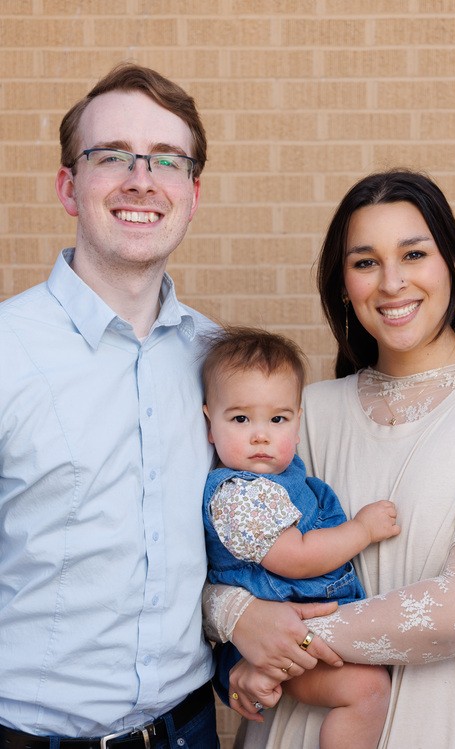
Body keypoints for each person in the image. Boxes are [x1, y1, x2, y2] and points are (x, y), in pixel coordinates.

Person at [204, 170, 455, 748]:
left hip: (448, 724)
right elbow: (207, 558)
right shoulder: (300, 414)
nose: (391, 282)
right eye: (365, 262)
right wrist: (236, 614)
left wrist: (279, 641)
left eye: (414, 254)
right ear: (343, 284)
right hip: (298, 726)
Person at [0, 61, 220, 749]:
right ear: (69, 187)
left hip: (189, 730)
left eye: (167, 160)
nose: (141, 179)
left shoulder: (217, 360)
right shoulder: (7, 350)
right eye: (112, 155)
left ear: (192, 194)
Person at [202, 326, 399, 749]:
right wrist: (362, 530)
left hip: (299, 627)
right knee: (367, 690)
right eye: (240, 419)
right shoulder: (238, 495)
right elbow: (296, 559)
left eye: (278, 419)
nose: (260, 434)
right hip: (268, 638)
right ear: (209, 425)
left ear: (296, 422)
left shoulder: (287, 476)